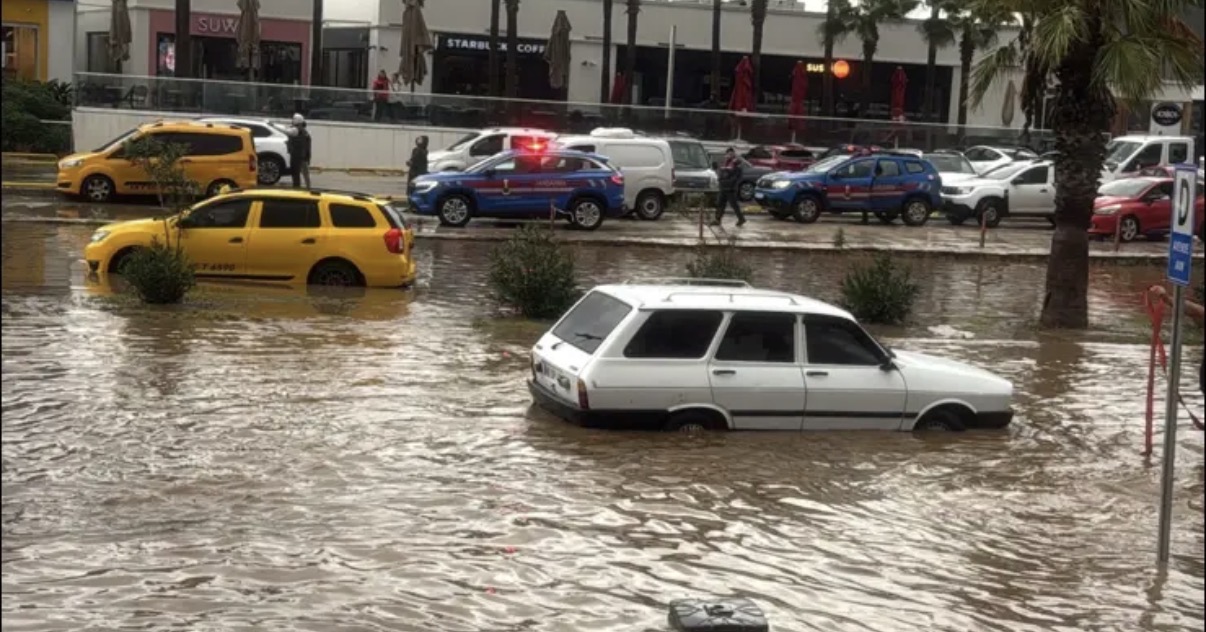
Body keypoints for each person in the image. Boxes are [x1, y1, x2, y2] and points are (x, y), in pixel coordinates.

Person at [712, 147, 747, 227]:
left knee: (734, 205)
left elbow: (737, 176)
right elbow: (720, 173)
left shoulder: (736, 164)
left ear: (734, 154)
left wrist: (730, 183)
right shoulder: (724, 163)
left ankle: (741, 218)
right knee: (720, 204)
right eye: (728, 154)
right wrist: (720, 179)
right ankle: (717, 219)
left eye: (731, 154)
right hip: (723, 187)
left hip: (731, 188)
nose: (729, 155)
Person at [286, 113, 312, 189]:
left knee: (297, 173)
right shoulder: (304, 132)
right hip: (301, 156)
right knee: (303, 174)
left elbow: (306, 146)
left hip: (298, 156)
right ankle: (307, 188)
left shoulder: (300, 132)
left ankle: (299, 189)